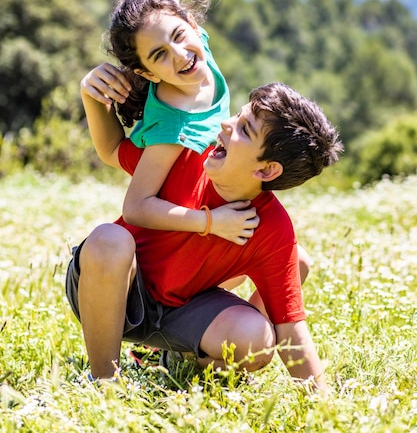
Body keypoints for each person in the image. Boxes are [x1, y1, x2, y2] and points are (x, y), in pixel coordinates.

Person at [66, 81, 343, 393]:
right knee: (109, 240)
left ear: (266, 171)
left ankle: (179, 359)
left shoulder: (272, 227)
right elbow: (116, 151)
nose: (226, 124)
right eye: (237, 115)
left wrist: (325, 409)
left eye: (244, 129)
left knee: (258, 340)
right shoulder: (184, 150)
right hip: (115, 295)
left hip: (182, 312)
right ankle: (104, 383)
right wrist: (93, 95)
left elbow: (290, 329)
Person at [81, 0, 260, 244]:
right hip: (141, 155)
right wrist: (210, 222)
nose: (179, 54)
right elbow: (135, 206)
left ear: (191, 23)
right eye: (159, 55)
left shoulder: (194, 45)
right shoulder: (174, 125)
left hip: (171, 157)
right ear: (147, 74)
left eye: (179, 35)